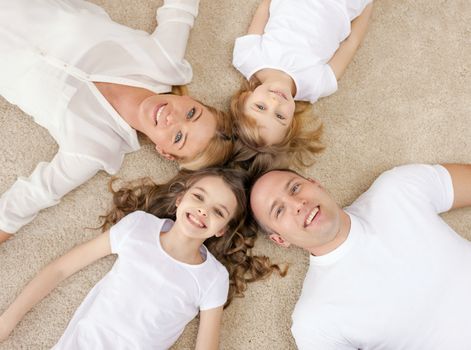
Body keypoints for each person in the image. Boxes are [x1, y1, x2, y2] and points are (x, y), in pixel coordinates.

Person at [0, 0, 234, 244]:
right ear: (194, 100)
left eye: (178, 137)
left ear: (165, 152)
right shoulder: (164, 62)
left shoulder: (94, 148)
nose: (172, 118)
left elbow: (26, 201)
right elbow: (181, 7)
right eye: (191, 114)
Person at [0, 167, 285, 349]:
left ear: (221, 229)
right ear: (179, 200)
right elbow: (61, 269)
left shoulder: (213, 278)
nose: (203, 211)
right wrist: (8, 321)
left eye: (218, 211)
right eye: (198, 197)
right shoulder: (139, 227)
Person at [249, 163, 471, 349]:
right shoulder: (315, 319)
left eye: (295, 188)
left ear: (316, 184)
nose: (298, 204)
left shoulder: (396, 188)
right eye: (279, 210)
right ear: (280, 240)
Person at [230, 0, 373, 168]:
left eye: (260, 107)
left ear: (245, 98)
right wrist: (367, 6)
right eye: (280, 116)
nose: (274, 103)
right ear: (292, 122)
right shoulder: (317, 85)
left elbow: (264, 9)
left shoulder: (248, 58)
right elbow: (351, 43)